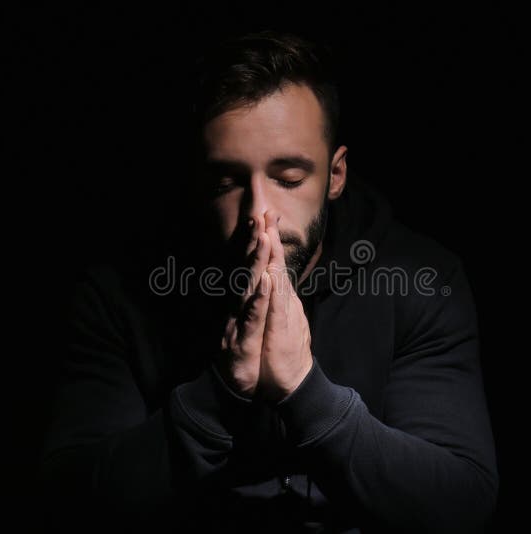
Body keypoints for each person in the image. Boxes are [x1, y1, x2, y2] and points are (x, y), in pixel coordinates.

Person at [39, 30, 498, 533]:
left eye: (289, 178)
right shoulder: (116, 292)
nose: (260, 215)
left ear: (336, 174)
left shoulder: (422, 279)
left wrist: (306, 391)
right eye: (226, 182)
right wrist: (218, 396)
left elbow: (461, 502)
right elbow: (68, 500)